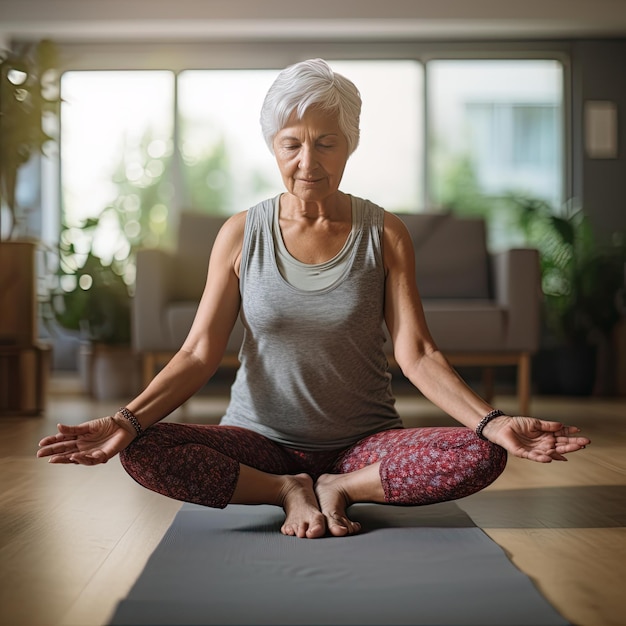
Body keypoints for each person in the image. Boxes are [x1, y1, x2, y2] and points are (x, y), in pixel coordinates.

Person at [37, 58, 590, 539]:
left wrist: (492, 422)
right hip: (256, 443)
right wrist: (125, 421)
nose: (309, 161)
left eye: (327, 142)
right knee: (141, 450)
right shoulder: (240, 234)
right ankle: (285, 489)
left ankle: (342, 486)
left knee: (484, 450)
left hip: (364, 445)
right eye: (292, 144)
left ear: (349, 143)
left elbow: (417, 353)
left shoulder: (385, 232)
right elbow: (198, 354)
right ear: (273, 146)